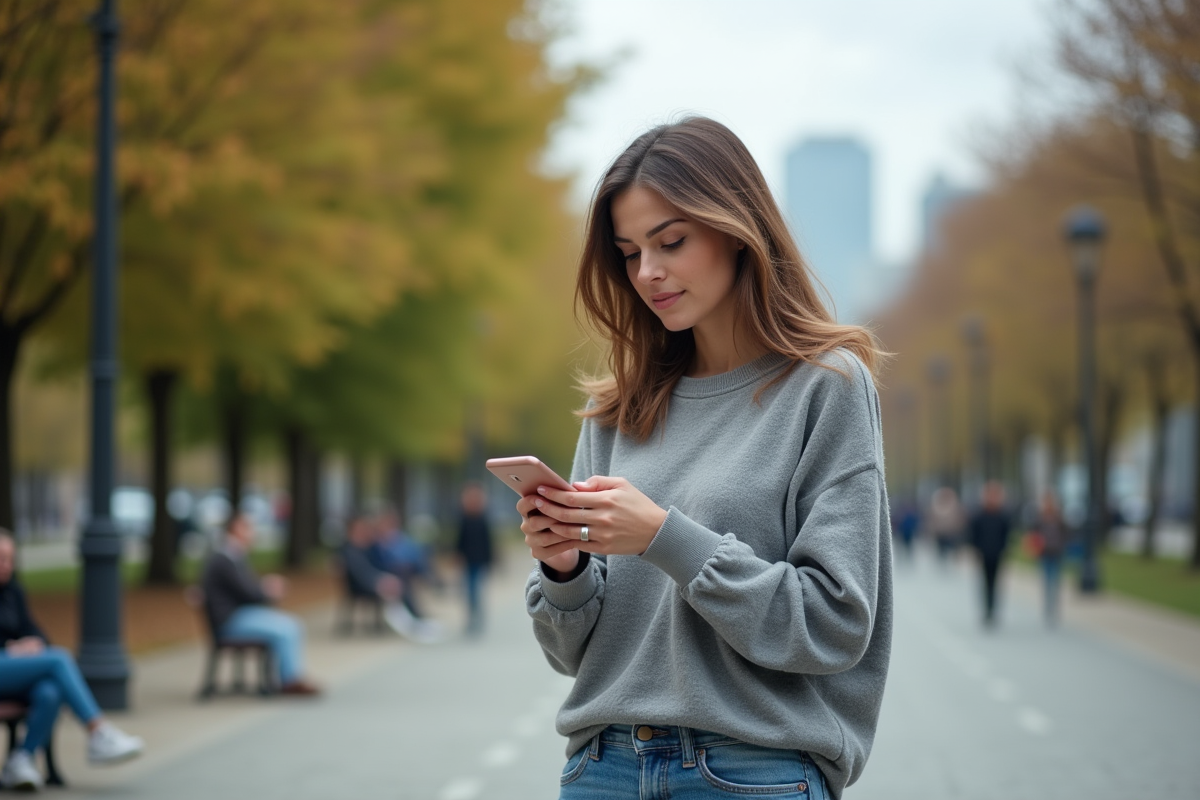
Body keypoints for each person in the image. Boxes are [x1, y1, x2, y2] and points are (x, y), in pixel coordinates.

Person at [518, 117, 893, 800]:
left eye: (671, 242)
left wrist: (666, 538)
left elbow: (834, 626)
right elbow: (569, 654)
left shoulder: (826, 387)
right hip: (601, 768)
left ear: (737, 229)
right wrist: (562, 568)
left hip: (750, 771)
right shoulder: (618, 409)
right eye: (630, 253)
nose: (648, 273)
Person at [0, 530, 143, 791]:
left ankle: (21, 759)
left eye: (10, 558)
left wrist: (33, 643)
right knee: (59, 660)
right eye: (1, 558)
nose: (6, 565)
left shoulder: (12, 592)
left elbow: (36, 631)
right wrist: (11, 648)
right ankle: (98, 731)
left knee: (50, 692)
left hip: (12, 670)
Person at [200, 514, 321, 695]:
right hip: (229, 621)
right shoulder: (226, 559)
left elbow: (245, 589)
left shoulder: (230, 556)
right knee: (287, 628)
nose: (252, 533)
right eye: (248, 528)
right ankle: (289, 681)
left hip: (236, 616)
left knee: (290, 624)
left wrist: (263, 587)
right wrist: (268, 590)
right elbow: (249, 593)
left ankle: (290, 678)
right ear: (236, 530)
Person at [341, 515, 442, 643]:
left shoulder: (367, 546)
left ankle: (415, 617)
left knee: (402, 578)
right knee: (397, 585)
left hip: (374, 580)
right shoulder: (350, 550)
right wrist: (379, 582)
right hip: (361, 586)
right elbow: (361, 573)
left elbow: (378, 565)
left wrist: (384, 578)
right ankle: (414, 618)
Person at [967, 480, 1012, 629]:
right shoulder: (979, 515)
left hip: (998, 553)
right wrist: (975, 550)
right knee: (985, 583)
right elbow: (973, 534)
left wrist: (1005, 550)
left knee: (996, 583)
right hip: (984, 553)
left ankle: (993, 609)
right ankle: (987, 610)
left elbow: (1007, 535)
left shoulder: (1002, 515)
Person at [455, 482, 494, 636]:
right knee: (469, 589)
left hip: (479, 559)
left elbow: (488, 541)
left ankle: (476, 616)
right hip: (468, 559)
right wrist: (457, 554)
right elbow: (460, 539)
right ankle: (472, 616)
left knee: (475, 589)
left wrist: (490, 559)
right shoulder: (464, 518)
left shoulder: (482, 518)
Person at [1030, 490, 1070, 626]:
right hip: (1045, 553)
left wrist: (1062, 545)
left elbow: (1066, 533)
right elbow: (1034, 534)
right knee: (1047, 581)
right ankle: (1048, 608)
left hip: (1057, 553)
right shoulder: (1039, 518)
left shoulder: (1059, 517)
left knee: (1055, 581)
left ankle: (1055, 607)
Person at [926, 486, 964, 565]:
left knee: (952, 549)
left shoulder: (955, 506)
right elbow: (932, 521)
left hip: (952, 533)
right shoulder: (936, 507)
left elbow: (959, 520)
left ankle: (952, 560)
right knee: (942, 550)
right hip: (940, 533)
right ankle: (943, 561)